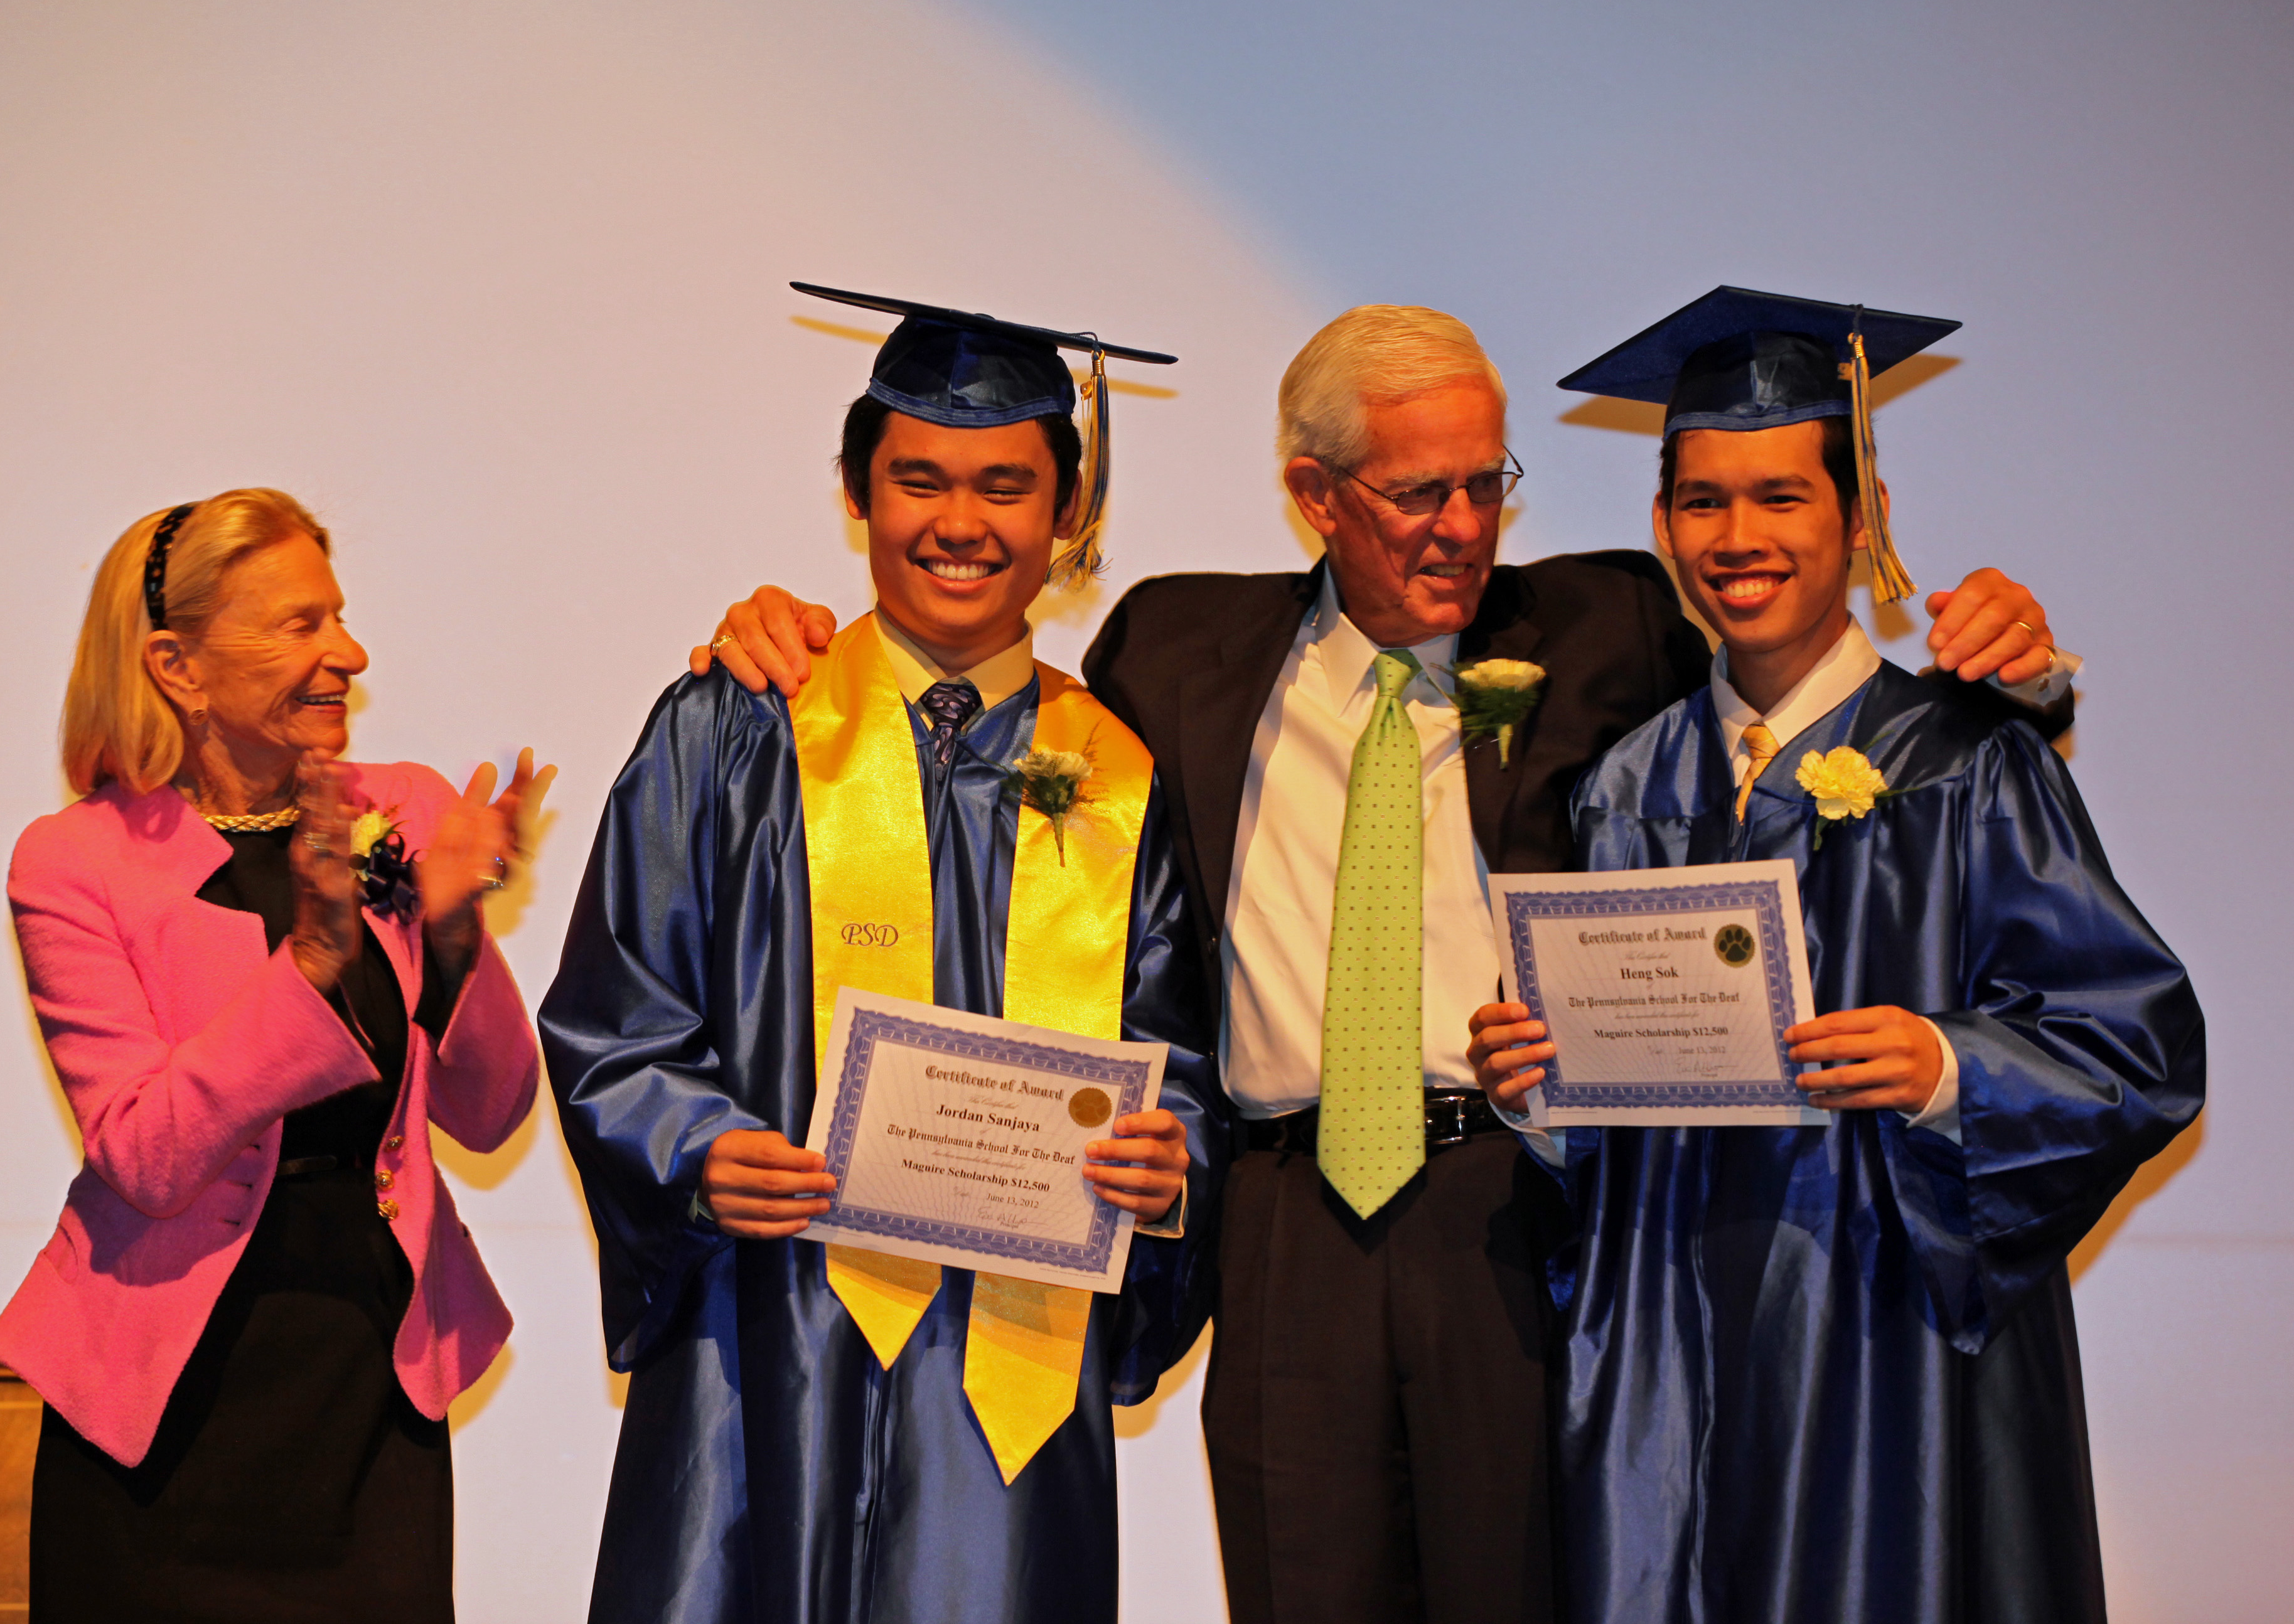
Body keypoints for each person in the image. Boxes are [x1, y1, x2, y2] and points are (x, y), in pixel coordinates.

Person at [694, 303, 2071, 1624]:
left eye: (1488, 483)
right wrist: (780, 636)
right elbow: (980, 721)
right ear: (1315, 492)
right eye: (1421, 493)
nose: (1465, 527)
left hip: (1512, 1221)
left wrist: (2019, 677)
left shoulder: (1606, 630)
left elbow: (1783, 670)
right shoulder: (1175, 653)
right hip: (1288, 1222)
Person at [1471, 287, 2204, 1624]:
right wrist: (1540, 1094)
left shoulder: (1967, 762)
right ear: (1660, 525)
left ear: (1860, 517)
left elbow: (2139, 1047)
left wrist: (1942, 1065)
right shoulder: (1631, 784)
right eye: (1701, 501)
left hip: (1884, 1352)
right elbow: (1622, 1121)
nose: (1736, 538)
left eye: (1779, 497)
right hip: (1664, 1357)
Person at [539, 286, 1223, 1624]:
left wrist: (1169, 1161)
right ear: (856, 491)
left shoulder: (1120, 776)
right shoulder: (733, 732)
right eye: (918, 478)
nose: (960, 522)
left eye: (1005, 486)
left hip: (1008, 1383)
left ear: (1066, 513)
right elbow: (617, 1013)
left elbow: (1174, 1056)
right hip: (766, 1343)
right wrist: (694, 1149)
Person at [0, 488, 550, 1621]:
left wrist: (447, 931)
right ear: (176, 665)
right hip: (169, 1410)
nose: (349, 652)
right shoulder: (74, 862)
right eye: (299, 625)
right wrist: (312, 964)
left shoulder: (402, 812)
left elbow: (491, 1113)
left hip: (369, 1385)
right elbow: (144, 1158)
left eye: (336, 617)